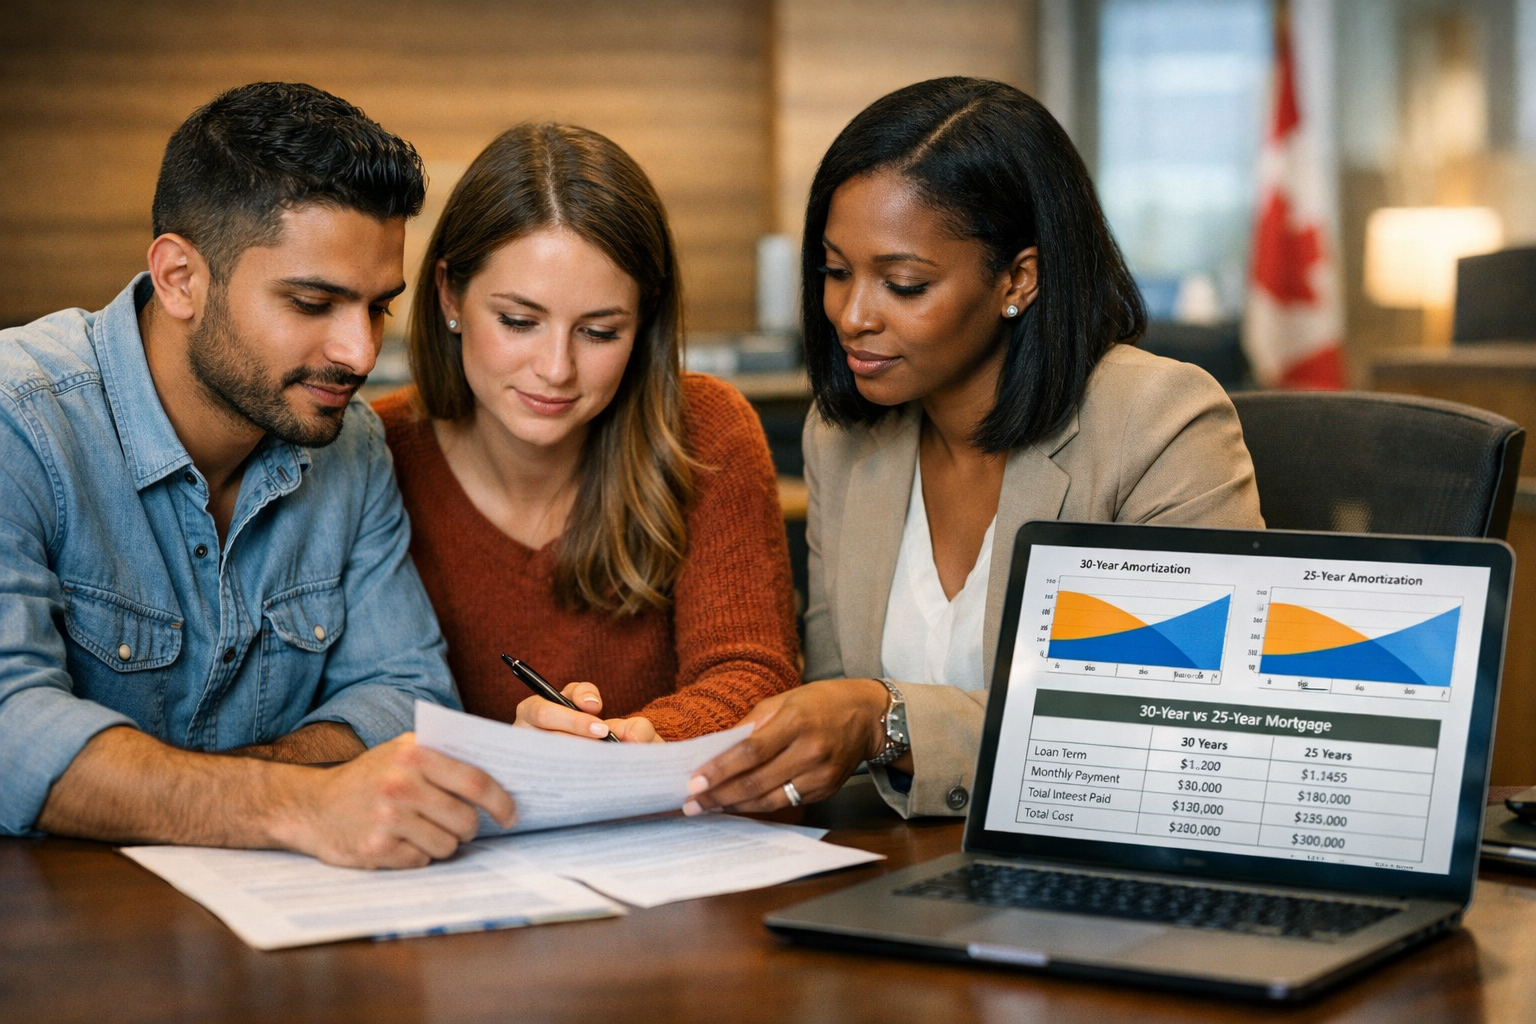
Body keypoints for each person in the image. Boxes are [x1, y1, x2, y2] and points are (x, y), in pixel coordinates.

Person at [685, 77, 1264, 819]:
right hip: (896, 874)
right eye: (834, 272)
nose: (852, 315)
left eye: (903, 283)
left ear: (1018, 278)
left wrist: (887, 719)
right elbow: (832, 712)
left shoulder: (1156, 424)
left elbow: (1165, 727)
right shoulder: (845, 438)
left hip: (1101, 879)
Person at [0, 82, 515, 867]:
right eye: (313, 302)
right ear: (180, 278)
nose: (362, 353)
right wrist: (297, 803)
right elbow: (10, 731)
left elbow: (404, 694)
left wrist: (241, 792)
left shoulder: (352, 445)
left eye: (379, 307)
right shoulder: (20, 421)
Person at [373, 123, 799, 743]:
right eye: (519, 321)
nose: (556, 368)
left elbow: (753, 676)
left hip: (670, 828)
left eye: (600, 332)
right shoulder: (375, 452)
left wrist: (624, 745)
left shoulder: (704, 431)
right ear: (449, 295)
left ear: (644, 317)